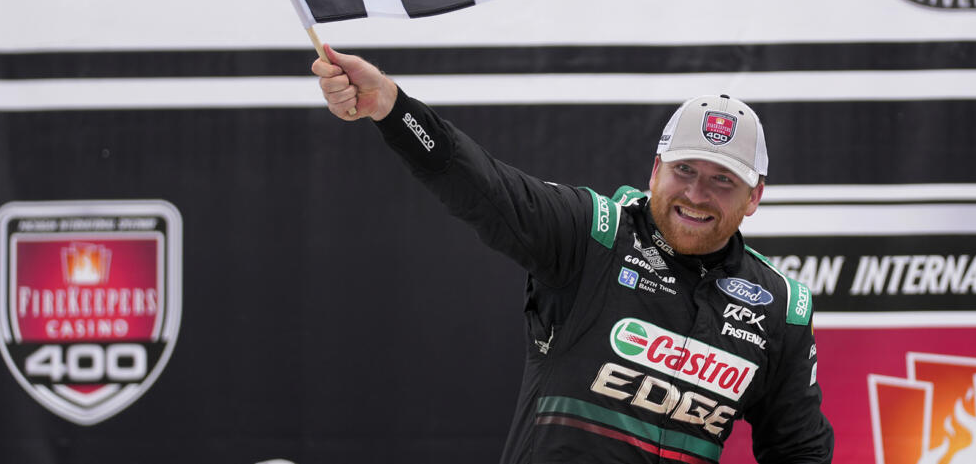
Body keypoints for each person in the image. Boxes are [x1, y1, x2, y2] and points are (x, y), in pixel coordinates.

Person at [313, 45, 834, 464]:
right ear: (656, 170)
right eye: (685, 171)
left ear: (755, 196)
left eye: (722, 180)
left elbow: (799, 449)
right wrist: (392, 108)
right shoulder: (593, 235)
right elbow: (484, 188)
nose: (696, 195)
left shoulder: (779, 307)